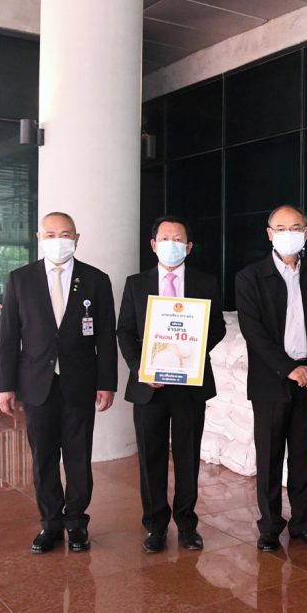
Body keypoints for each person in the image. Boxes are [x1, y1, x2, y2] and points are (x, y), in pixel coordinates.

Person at [0, 212, 117, 554]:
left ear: (77, 238)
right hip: (37, 384)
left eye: (65, 234)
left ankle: (76, 523)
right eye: (51, 234)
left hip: (80, 383)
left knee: (78, 457)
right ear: (39, 238)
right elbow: (8, 337)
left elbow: (106, 336)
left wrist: (107, 382)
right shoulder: (20, 279)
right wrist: (4, 385)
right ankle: (50, 523)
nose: (58, 240)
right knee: (43, 458)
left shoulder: (96, 280)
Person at [116, 215, 226, 553]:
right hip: (149, 387)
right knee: (151, 457)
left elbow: (218, 328)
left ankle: (188, 524)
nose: (172, 244)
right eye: (165, 238)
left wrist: (192, 354)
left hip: (190, 385)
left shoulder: (206, 283)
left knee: (188, 455)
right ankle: (155, 526)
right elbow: (124, 331)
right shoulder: (136, 284)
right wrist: (141, 368)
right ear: (153, 245)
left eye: (178, 239)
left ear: (189, 247)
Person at [235, 204, 307, 552]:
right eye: (280, 228)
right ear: (269, 234)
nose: (288, 234)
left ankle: (301, 522)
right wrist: (287, 367)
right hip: (271, 380)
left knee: (303, 455)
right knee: (268, 456)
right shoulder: (250, 277)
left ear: (306, 233)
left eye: (295, 228)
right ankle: (269, 527)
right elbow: (253, 331)